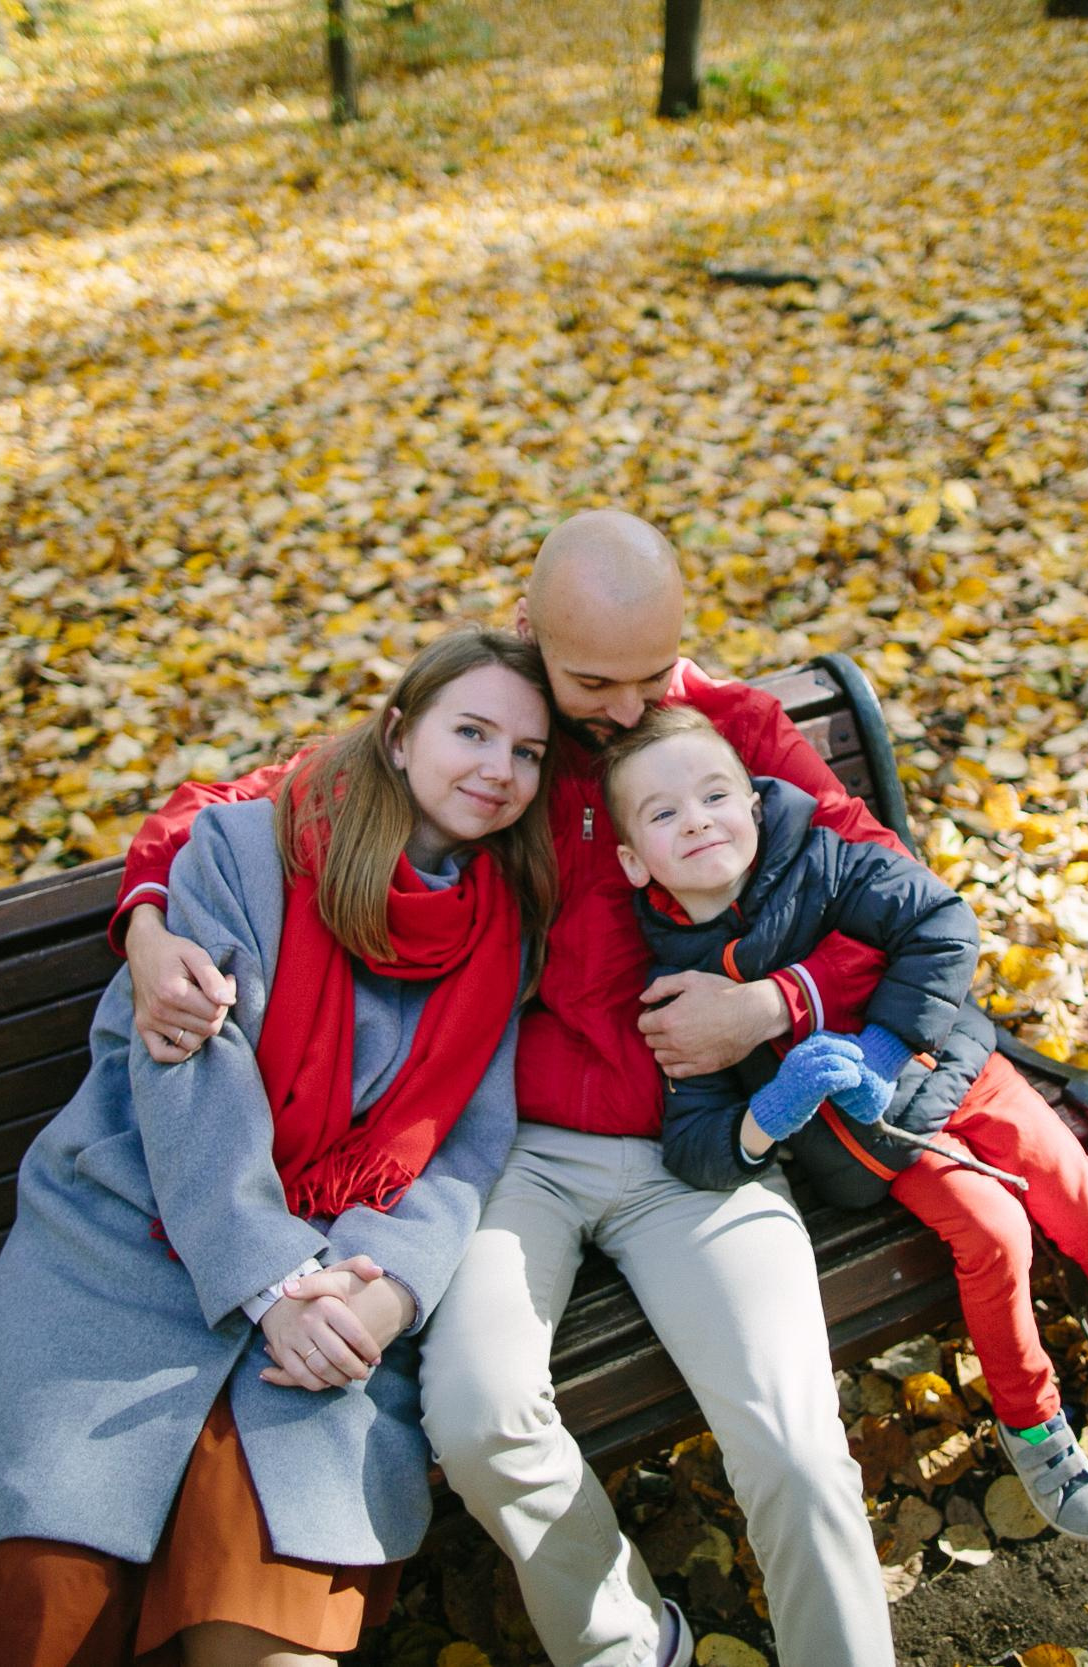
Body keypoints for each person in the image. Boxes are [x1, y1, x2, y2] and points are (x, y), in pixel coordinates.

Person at [115, 511, 897, 1667]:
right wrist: (143, 919)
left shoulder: (726, 731)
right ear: (532, 634)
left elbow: (891, 891)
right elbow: (252, 800)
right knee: (480, 1420)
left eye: (651, 674)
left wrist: (771, 1004)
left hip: (704, 1141)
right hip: (516, 1157)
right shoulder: (501, 734)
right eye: (597, 680)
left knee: (790, 1436)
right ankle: (631, 1644)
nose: (629, 709)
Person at [0, 628, 556, 1667]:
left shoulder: (504, 918)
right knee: (59, 1582)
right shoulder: (247, 851)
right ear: (395, 733)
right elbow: (183, 1077)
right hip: (132, 1235)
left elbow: (465, 1144)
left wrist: (384, 1298)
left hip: (343, 1265)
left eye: (525, 752)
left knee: (269, 1606)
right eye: (470, 730)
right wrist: (271, 1282)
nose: (496, 768)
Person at [602, 706, 1088, 1541]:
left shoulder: (823, 863)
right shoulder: (678, 984)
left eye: (715, 794)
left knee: (1086, 1195)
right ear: (631, 859)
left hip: (961, 1068)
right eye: (663, 813)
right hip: (891, 1143)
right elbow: (695, 1138)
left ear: (755, 800)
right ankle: (1034, 1424)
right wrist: (768, 1114)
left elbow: (940, 923)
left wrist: (883, 1045)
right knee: (994, 1232)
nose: (698, 820)